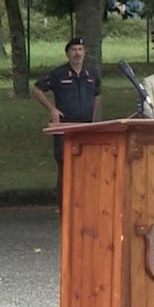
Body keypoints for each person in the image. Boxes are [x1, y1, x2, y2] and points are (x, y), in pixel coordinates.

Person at [32, 38, 100, 202]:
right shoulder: (59, 74)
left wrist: (96, 118)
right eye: (74, 50)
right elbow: (37, 89)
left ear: (85, 53)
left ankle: (83, 203)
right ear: (68, 53)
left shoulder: (91, 74)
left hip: (86, 127)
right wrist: (52, 109)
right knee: (66, 167)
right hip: (65, 128)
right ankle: (65, 205)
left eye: (80, 50)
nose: (77, 53)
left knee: (87, 167)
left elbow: (97, 94)